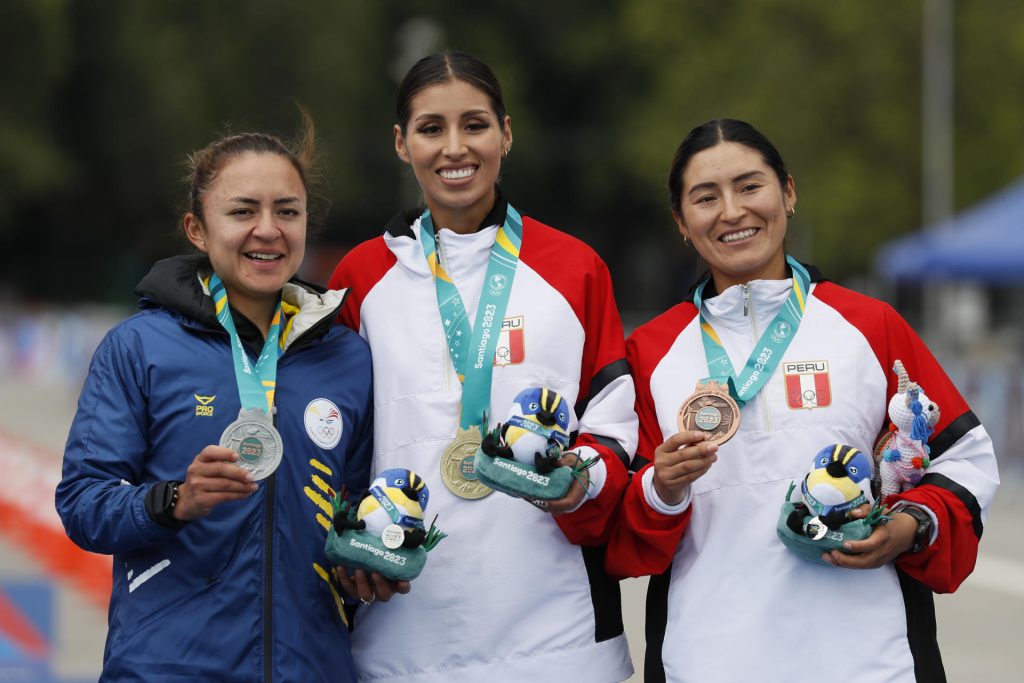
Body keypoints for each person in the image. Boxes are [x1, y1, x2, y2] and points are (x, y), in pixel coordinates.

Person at [607, 119, 999, 682]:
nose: (733, 211)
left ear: (787, 193)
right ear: (682, 224)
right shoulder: (649, 351)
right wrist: (663, 487)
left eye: (750, 186)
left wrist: (910, 522)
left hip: (868, 659)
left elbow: (966, 457)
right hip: (709, 660)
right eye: (705, 198)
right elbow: (616, 531)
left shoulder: (868, 325)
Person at [328, 50, 637, 682]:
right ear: (400, 142)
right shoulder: (360, 277)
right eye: (431, 128)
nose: (454, 148)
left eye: (474, 124)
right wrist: (346, 543)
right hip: (401, 632)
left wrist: (583, 477)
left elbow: (612, 423)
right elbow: (338, 442)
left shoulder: (574, 266)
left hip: (557, 632)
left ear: (506, 133)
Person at [55, 116, 375, 681]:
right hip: (170, 665)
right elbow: (82, 504)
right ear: (197, 230)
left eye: (287, 211)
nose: (268, 230)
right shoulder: (139, 348)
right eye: (242, 211)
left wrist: (369, 559)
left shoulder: (347, 356)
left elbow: (355, 502)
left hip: (311, 664)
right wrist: (173, 499)